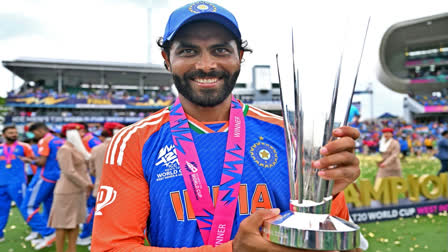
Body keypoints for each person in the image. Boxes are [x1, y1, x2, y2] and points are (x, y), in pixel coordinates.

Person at [92, 1, 361, 251]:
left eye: (220, 50)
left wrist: (326, 193)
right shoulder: (134, 142)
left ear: (240, 56)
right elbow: (112, 247)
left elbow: (334, 243)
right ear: (166, 58)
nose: (206, 65)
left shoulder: (288, 136)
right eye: (188, 51)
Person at [20, 122, 65, 249]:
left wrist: (30, 160)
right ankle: (48, 233)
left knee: (27, 207)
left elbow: (42, 162)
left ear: (39, 131)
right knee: (49, 207)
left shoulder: (44, 140)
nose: (34, 135)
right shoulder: (59, 140)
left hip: (44, 176)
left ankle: (48, 233)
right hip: (56, 177)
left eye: (34, 133)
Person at [49, 123, 93, 252]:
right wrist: (87, 184)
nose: (82, 134)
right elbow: (69, 171)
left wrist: (86, 185)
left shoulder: (76, 148)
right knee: (62, 223)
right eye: (79, 132)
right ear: (71, 133)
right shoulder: (65, 149)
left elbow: (83, 170)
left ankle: (71, 249)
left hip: (77, 190)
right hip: (67, 191)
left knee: (75, 222)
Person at [0, 125, 34, 242]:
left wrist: (28, 160)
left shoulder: (24, 146)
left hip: (18, 183)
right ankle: (0, 234)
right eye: (10, 133)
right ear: (4, 135)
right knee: (1, 210)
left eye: (15, 132)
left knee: (25, 207)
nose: (14, 135)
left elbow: (35, 160)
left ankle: (36, 231)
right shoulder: (0, 148)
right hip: (1, 183)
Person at [76, 122, 102, 246]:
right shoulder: (85, 140)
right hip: (88, 175)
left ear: (82, 130)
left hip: (92, 176)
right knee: (89, 206)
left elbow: (97, 159)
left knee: (92, 207)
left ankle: (87, 234)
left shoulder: (91, 140)